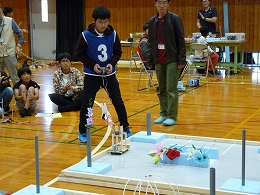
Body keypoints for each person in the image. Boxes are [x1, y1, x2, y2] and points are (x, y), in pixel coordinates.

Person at [75, 6, 132, 143]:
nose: (103, 25)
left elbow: (118, 52)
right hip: (91, 76)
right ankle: (83, 131)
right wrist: (92, 65)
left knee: (118, 101)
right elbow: (79, 54)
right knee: (87, 104)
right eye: (100, 22)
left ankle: (126, 127)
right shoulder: (85, 35)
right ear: (94, 21)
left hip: (109, 75)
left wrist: (112, 63)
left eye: (106, 22)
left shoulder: (113, 34)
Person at [147, 0, 186, 126]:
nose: (161, 5)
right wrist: (150, 60)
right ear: (155, 4)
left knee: (171, 89)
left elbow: (181, 40)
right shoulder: (152, 21)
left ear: (168, 4)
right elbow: (151, 42)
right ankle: (163, 113)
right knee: (161, 89)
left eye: (164, 2)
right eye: (159, 3)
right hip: (159, 59)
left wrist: (181, 59)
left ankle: (172, 116)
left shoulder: (175, 19)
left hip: (172, 60)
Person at [0, 3, 23, 85]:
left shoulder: (10, 21)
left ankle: (19, 96)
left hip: (9, 53)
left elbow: (20, 33)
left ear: (1, 10)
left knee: (15, 77)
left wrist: (19, 46)